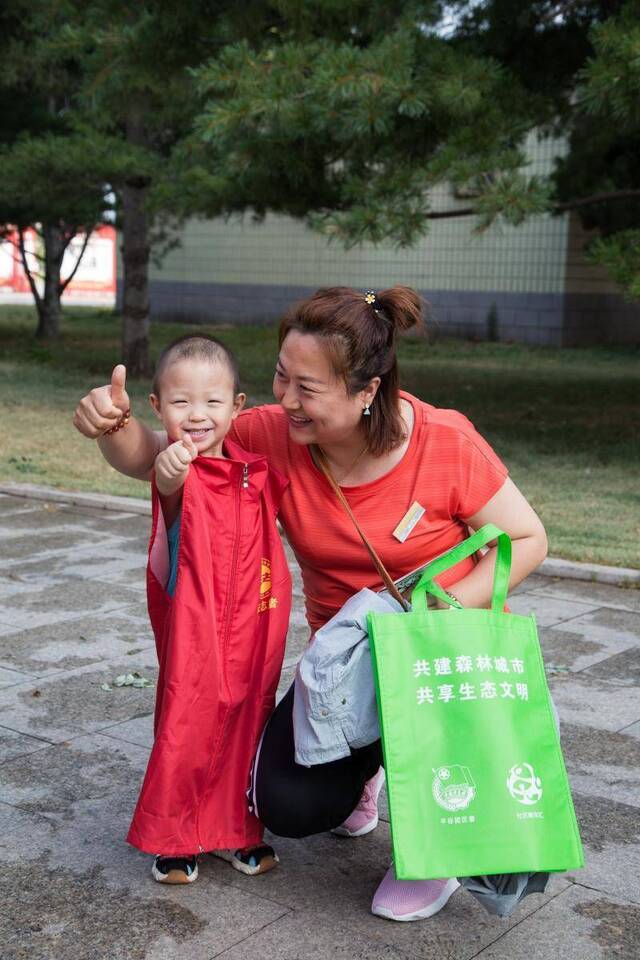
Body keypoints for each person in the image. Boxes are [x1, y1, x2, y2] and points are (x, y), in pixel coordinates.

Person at [73, 286, 548, 919]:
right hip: (345, 665)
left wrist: (434, 616)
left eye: (308, 388)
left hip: (439, 656)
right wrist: (114, 428)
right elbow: (167, 457)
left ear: (366, 391)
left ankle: (436, 851)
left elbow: (528, 537)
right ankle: (369, 770)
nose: (286, 400)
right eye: (279, 376)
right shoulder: (277, 434)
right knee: (287, 807)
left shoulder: (446, 442)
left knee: (435, 763)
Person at [95, 335, 292, 885]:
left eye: (212, 401)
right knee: (187, 721)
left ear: (238, 406)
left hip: (252, 624)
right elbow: (163, 481)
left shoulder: (254, 470)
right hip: (196, 626)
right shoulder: (175, 465)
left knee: (249, 719)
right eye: (181, 402)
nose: (197, 415)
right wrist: (171, 467)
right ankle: (174, 838)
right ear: (157, 407)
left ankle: (239, 830)